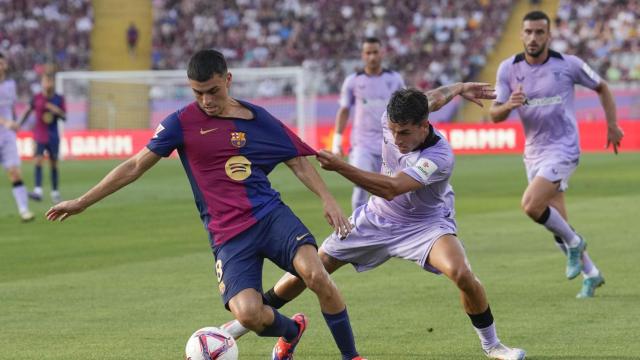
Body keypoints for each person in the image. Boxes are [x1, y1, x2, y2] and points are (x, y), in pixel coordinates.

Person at [46, 49, 366, 360]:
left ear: (228, 79)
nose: (207, 101)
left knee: (316, 274)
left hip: (270, 216)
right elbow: (134, 165)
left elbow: (296, 161)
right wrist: (82, 202)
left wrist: (327, 199)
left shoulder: (257, 118)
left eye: (213, 91)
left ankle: (350, 356)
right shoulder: (180, 123)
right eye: (199, 93)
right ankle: (291, 332)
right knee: (250, 314)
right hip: (228, 235)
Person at [223, 86, 527, 360]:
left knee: (462, 273)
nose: (396, 139)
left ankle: (493, 346)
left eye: (405, 133)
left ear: (424, 126)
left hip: (425, 225)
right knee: (311, 270)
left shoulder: (440, 155)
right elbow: (433, 98)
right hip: (377, 217)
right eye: (393, 131)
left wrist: (342, 167)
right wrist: (459, 87)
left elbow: (391, 188)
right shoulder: (396, 118)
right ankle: (238, 327)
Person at [489, 11, 624, 298]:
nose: (533, 38)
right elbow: (494, 115)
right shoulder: (508, 69)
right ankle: (592, 273)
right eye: (528, 32)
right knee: (557, 224)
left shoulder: (568, 65)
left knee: (531, 205)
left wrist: (612, 125)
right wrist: (509, 105)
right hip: (534, 153)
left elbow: (602, 87)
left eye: (539, 32)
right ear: (521, 34)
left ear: (549, 36)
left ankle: (576, 244)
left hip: (564, 149)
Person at [332, 37, 405, 211]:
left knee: (391, 189)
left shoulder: (394, 79)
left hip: (390, 145)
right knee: (361, 186)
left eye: (375, 52)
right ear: (363, 55)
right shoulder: (353, 81)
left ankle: (388, 228)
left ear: (382, 53)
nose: (372, 57)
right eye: (368, 53)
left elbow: (405, 109)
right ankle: (358, 228)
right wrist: (337, 142)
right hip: (362, 145)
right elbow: (344, 110)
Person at [19, 73, 66, 204]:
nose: (47, 84)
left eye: (49, 81)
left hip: (53, 136)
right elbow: (27, 111)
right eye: (45, 81)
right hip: (39, 135)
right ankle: (38, 191)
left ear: (53, 83)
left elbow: (64, 116)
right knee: (38, 160)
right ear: (42, 83)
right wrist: (18, 124)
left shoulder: (58, 98)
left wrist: (56, 110)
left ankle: (55, 192)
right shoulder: (37, 98)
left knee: (53, 163)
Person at [0, 53, 34, 222]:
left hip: (7, 136)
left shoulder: (10, 85)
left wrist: (14, 123)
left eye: (1, 63)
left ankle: (24, 210)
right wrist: (6, 121)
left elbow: (11, 108)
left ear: (5, 65)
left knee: (14, 172)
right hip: (4, 128)